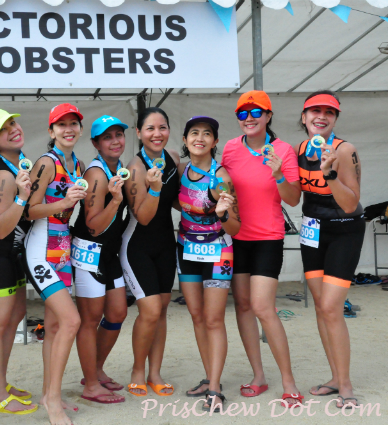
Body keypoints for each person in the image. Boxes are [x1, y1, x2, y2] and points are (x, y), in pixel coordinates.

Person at [222, 90, 303, 407]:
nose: (249, 118)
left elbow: (293, 199)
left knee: (262, 307)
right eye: (243, 113)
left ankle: (289, 382)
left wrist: (279, 173)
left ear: (268, 116)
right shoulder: (230, 148)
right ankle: (258, 376)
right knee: (242, 306)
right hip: (236, 239)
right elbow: (222, 186)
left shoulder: (283, 150)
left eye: (256, 112)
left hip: (268, 238)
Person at [294, 91, 364, 409]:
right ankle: (335, 378)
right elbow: (293, 196)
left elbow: (350, 203)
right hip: (312, 230)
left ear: (335, 119)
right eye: (315, 111)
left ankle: (346, 385)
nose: (321, 116)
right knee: (322, 308)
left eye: (329, 112)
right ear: (304, 116)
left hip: (343, 230)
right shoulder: (299, 149)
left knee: (332, 307)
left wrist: (330, 174)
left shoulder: (345, 150)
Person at [25, 103, 87, 425]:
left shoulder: (78, 164)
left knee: (53, 328)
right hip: (40, 250)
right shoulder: (46, 163)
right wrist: (64, 202)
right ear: (51, 131)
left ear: (80, 128)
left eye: (73, 123)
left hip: (62, 250)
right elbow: (29, 210)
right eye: (61, 124)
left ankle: (49, 393)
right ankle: (52, 400)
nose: (68, 129)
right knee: (71, 321)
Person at [0, 109, 38, 415]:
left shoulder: (20, 163)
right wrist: (22, 197)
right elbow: (0, 228)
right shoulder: (1, 174)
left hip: (13, 256)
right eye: (3, 129)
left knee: (14, 319)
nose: (13, 129)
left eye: (13, 122)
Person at [175, 116, 240, 411]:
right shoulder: (181, 170)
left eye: (206, 134)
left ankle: (215, 389)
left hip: (218, 252)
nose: (199, 138)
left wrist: (223, 213)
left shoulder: (221, 177)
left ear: (215, 141)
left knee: (213, 319)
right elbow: (179, 200)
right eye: (194, 133)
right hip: (186, 249)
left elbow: (235, 227)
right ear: (185, 139)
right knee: (197, 316)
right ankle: (209, 377)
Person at [120, 107, 179, 397]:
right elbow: (143, 217)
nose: (157, 134)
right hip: (137, 246)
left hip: (166, 243)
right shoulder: (135, 168)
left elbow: (177, 200)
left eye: (162, 127)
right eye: (150, 128)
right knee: (150, 310)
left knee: (162, 309)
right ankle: (137, 370)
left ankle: (155, 372)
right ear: (139, 132)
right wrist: (154, 188)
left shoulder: (174, 159)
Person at [72, 116, 129, 405]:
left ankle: (94, 370)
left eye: (119, 134)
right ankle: (91, 385)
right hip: (90, 252)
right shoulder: (96, 173)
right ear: (95, 143)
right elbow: (93, 226)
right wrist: (116, 201)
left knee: (117, 313)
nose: (115, 141)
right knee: (91, 319)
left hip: (109, 253)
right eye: (108, 137)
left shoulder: (118, 168)